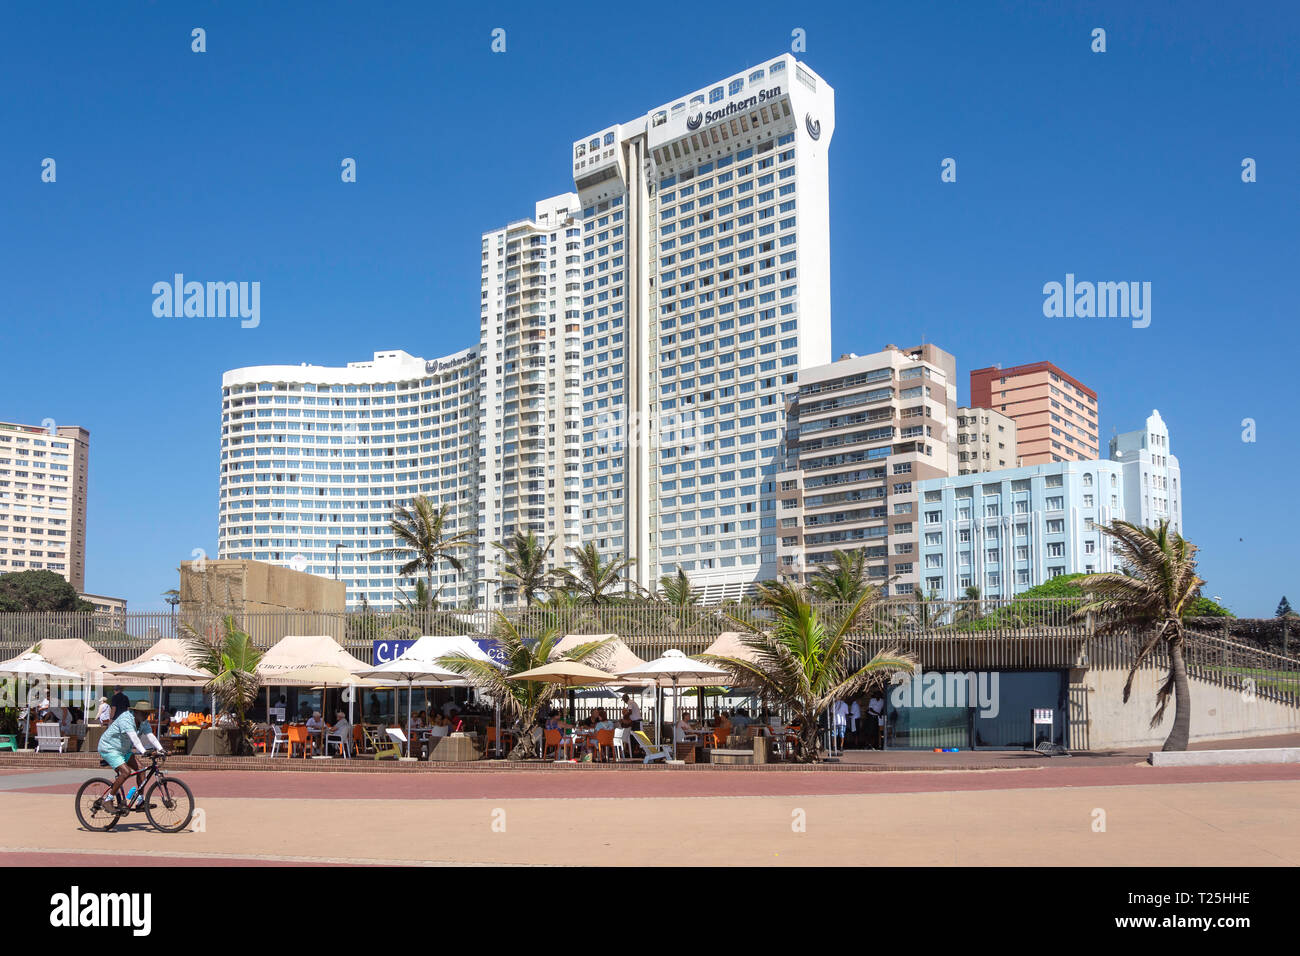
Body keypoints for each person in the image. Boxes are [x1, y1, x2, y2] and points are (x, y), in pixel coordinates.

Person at [97, 702, 159, 813]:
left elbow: (151, 736)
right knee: (126, 772)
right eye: (143, 713)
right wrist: (144, 751)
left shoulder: (143, 722)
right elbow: (134, 738)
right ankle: (108, 799)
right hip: (109, 748)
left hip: (124, 750)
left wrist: (161, 749)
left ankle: (140, 802)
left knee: (141, 769)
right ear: (135, 712)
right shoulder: (126, 719)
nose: (146, 716)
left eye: (148, 714)